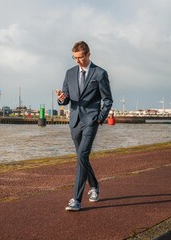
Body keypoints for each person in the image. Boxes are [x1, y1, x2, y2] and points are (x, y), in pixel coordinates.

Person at [56, 41, 113, 211]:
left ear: (88, 54)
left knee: (82, 155)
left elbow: (108, 100)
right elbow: (66, 98)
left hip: (91, 120)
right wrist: (61, 99)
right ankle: (94, 186)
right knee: (82, 157)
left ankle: (76, 199)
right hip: (74, 121)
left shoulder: (100, 73)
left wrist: (100, 117)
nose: (77, 61)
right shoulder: (69, 73)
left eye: (80, 57)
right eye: (75, 58)